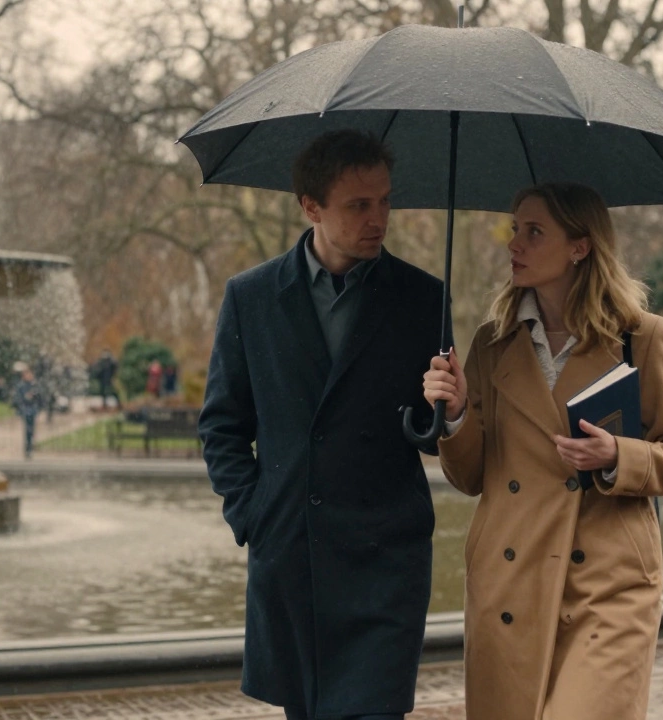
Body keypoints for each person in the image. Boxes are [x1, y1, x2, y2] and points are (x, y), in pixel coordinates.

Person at [421, 182, 663, 720]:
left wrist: (618, 456)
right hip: (511, 578)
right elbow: (473, 476)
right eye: (514, 229)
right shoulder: (491, 343)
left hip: (608, 582)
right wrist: (454, 414)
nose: (515, 244)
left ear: (580, 246)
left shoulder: (639, 338)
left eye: (534, 231)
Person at [199, 128, 447, 720]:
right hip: (294, 554)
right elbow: (222, 425)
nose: (378, 218)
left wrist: (451, 409)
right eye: (359, 205)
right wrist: (254, 514)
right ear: (311, 207)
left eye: (385, 200)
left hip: (385, 560)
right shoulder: (251, 297)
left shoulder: (423, 298)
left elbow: (433, 435)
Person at [9, 361, 43, 460]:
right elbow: (18, 399)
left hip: (32, 410)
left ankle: (30, 447)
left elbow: (40, 397)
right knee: (28, 430)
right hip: (26, 410)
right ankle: (28, 448)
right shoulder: (21, 386)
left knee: (31, 430)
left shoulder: (34, 385)